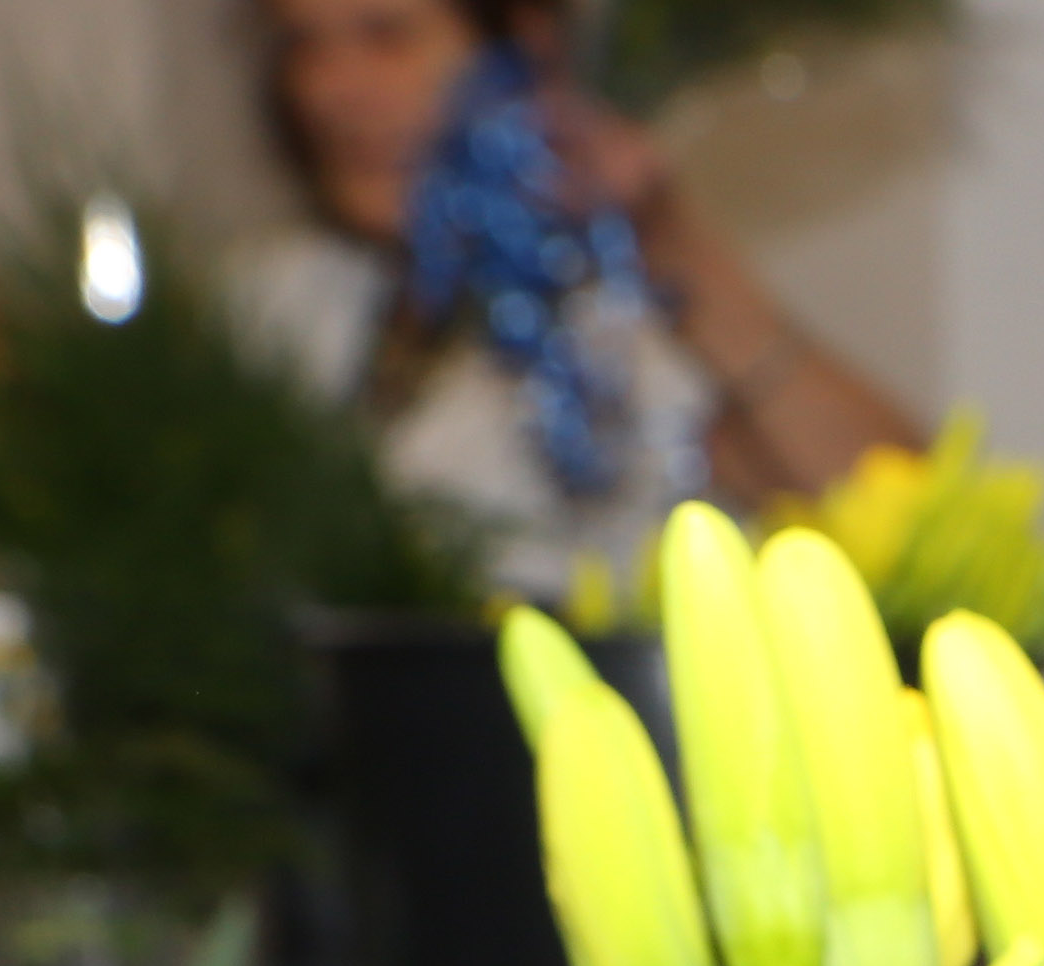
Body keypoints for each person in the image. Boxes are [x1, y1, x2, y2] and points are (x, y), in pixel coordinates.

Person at [235, 0, 921, 593]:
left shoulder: (616, 316)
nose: (331, 89)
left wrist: (676, 250)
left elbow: (905, 515)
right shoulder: (289, 297)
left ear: (523, 45)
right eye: (303, 43)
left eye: (385, 35)